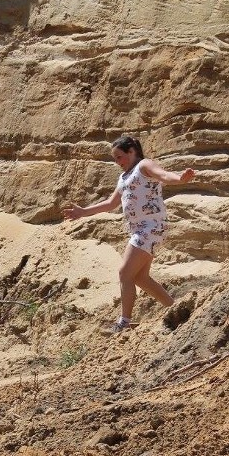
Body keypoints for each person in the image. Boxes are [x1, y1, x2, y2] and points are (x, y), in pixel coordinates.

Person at [63, 136, 195, 333]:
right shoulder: (124, 177)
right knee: (140, 278)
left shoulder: (144, 165)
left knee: (124, 272)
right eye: (115, 159)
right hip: (139, 229)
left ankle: (124, 322)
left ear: (132, 151)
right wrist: (83, 212)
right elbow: (110, 203)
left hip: (151, 226)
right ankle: (177, 310)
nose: (118, 162)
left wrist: (181, 179)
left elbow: (164, 175)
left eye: (119, 157)